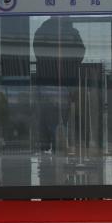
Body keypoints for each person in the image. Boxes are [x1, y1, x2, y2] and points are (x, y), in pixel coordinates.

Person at [32, 16, 85, 151]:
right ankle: (58, 144)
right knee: (63, 115)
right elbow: (80, 53)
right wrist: (69, 64)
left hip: (47, 79)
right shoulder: (72, 32)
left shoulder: (41, 31)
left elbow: (38, 53)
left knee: (47, 113)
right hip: (66, 80)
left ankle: (48, 143)